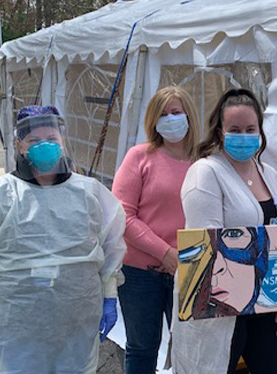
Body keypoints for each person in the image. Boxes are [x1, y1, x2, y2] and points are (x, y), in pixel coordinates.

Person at [0, 105, 125, 373]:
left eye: (51, 139)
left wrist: (109, 296)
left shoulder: (90, 193)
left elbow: (111, 251)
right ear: (19, 146)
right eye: (34, 141)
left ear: (62, 142)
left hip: (75, 327)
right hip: (14, 328)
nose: (44, 146)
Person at [174, 88, 277, 374]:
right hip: (220, 307)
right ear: (220, 132)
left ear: (260, 132)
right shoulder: (206, 173)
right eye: (235, 129)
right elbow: (208, 246)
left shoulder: (269, 174)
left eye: (250, 129)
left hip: (264, 304)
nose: (244, 135)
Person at [110, 86, 201, 374]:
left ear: (189, 115)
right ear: (152, 119)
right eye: (163, 114)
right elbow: (122, 215)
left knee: (190, 348)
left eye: (176, 112)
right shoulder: (139, 157)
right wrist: (165, 253)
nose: (170, 119)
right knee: (142, 348)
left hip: (192, 270)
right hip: (140, 273)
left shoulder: (205, 163)